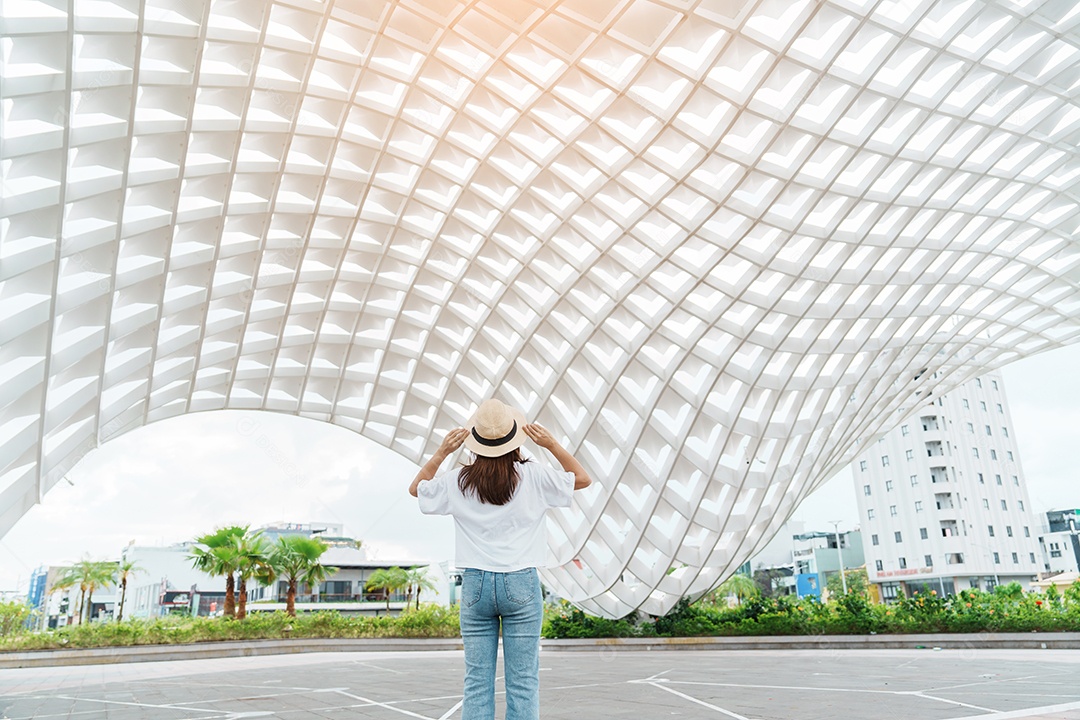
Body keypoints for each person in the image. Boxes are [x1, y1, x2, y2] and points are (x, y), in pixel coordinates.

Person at [409, 398, 591, 720]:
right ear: (515, 439)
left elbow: (416, 489)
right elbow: (581, 478)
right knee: (523, 681)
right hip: (521, 582)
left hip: (476, 584)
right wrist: (550, 444)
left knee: (477, 681)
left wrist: (442, 452)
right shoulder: (533, 476)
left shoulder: (458, 481)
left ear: (475, 443)